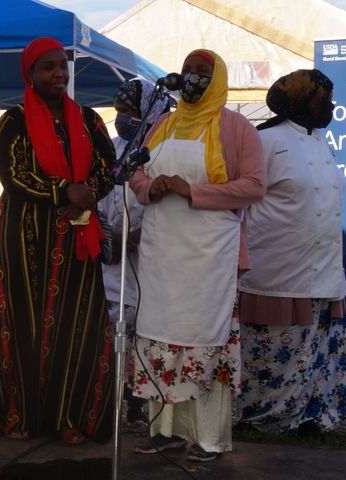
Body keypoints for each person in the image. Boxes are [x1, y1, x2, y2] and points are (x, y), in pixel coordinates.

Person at [0, 37, 116, 445]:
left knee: (77, 325)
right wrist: (62, 191)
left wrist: (85, 193)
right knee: (22, 324)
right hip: (24, 237)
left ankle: (70, 416)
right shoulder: (12, 121)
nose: (59, 73)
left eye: (63, 66)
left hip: (77, 235)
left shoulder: (89, 120)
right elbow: (10, 173)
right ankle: (18, 416)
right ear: (30, 74)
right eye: (48, 67)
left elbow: (108, 167)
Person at [129, 49, 266, 461]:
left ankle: (207, 438)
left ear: (218, 78)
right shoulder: (163, 123)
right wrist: (145, 187)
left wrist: (194, 191)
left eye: (201, 72)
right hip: (162, 256)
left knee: (203, 342)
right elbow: (136, 169)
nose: (191, 77)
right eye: (187, 70)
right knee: (161, 339)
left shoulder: (236, 127)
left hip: (210, 260)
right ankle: (166, 431)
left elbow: (254, 186)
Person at [236, 69, 346, 433]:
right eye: (322, 98)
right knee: (271, 346)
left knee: (315, 347)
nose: (329, 106)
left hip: (323, 268)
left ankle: (309, 413)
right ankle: (262, 414)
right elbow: (239, 203)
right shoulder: (263, 140)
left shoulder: (320, 141)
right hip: (275, 269)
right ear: (301, 99)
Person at [97, 78, 171, 427]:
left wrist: (139, 235)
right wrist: (107, 235)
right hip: (111, 259)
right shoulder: (109, 149)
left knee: (144, 333)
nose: (122, 119)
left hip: (148, 259)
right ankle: (105, 397)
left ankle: (138, 400)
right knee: (111, 331)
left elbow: (167, 206)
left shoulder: (164, 149)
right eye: (119, 112)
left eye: (130, 112)